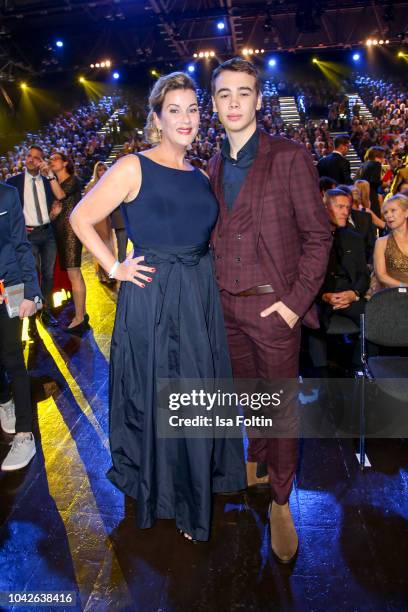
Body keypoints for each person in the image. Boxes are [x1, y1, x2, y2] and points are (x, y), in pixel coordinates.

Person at [70, 72, 246, 542]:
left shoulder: (200, 172)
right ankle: (174, 498)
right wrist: (113, 267)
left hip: (198, 292)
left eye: (192, 109)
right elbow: (81, 217)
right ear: (157, 119)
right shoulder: (133, 167)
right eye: (175, 110)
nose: (186, 119)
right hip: (153, 296)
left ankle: (194, 486)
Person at [209, 58, 332, 562]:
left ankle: (282, 500)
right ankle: (257, 462)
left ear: (260, 100)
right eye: (223, 94)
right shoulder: (213, 164)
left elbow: (319, 236)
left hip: (274, 308)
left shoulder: (289, 156)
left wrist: (292, 304)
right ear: (214, 104)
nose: (234, 102)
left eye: (244, 93)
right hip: (227, 308)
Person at [0, 182, 42, 471]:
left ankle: (25, 434)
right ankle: (4, 400)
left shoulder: (7, 195)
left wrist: (31, 292)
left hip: (9, 288)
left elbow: (21, 245)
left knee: (13, 357)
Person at [7, 145, 57, 335]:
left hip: (48, 233)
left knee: (49, 275)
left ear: (41, 161)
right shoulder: (14, 182)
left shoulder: (46, 181)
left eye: (36, 157)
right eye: (29, 156)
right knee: (32, 276)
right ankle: (32, 319)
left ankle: (46, 311)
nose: (31, 159)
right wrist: (19, 225)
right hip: (28, 237)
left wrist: (53, 215)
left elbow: (58, 200)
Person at [43, 152, 89, 334]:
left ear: (65, 162)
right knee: (73, 274)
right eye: (50, 159)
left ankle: (79, 318)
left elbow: (61, 196)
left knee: (74, 273)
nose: (51, 161)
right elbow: (54, 212)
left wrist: (50, 176)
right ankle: (81, 314)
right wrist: (53, 214)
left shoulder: (73, 180)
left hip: (71, 233)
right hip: (60, 233)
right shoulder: (55, 184)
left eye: (54, 159)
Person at [320, 189, 370, 327]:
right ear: (325, 208)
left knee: (373, 323)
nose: (345, 212)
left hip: (350, 296)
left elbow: (364, 275)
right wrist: (324, 296)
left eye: (347, 207)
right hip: (321, 299)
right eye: (340, 207)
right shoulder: (312, 239)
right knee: (314, 327)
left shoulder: (355, 238)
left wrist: (354, 294)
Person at [85, 161, 115, 283]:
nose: (102, 172)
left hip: (107, 218)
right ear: (96, 172)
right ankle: (104, 274)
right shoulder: (91, 186)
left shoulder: (109, 184)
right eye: (99, 170)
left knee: (109, 246)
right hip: (97, 219)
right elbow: (86, 203)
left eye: (103, 169)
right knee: (101, 246)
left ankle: (110, 272)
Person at [373, 194, 408, 288]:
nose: (388, 215)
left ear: (406, 213)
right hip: (394, 295)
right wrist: (404, 286)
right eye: (385, 212)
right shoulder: (381, 242)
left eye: (393, 210)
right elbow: (381, 276)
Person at [357, 146, 386, 217]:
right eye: (382, 156)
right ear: (378, 156)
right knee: (374, 216)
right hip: (371, 195)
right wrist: (383, 182)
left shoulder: (363, 165)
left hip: (361, 194)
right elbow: (374, 182)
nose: (383, 158)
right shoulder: (376, 164)